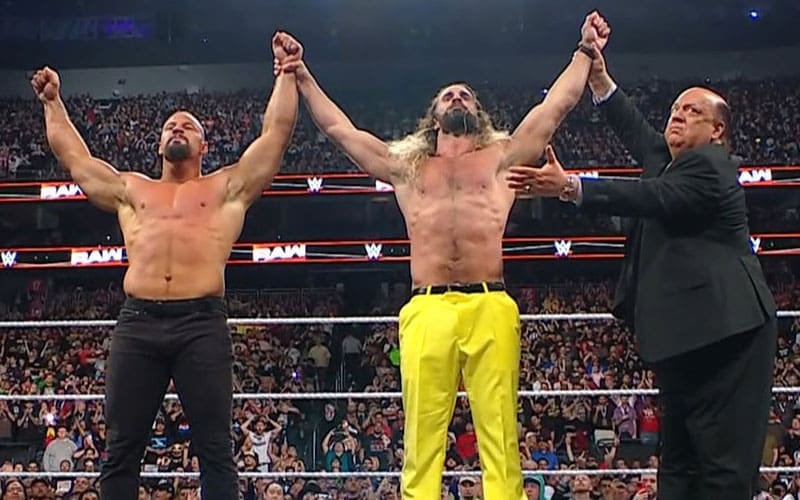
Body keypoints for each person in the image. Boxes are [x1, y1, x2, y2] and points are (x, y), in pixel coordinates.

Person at [273, 12, 611, 499]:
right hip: (428, 305)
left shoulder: (503, 158)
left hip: (489, 303)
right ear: (434, 116)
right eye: (449, 95)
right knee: (422, 436)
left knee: (500, 433)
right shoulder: (407, 167)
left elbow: (556, 106)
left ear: (479, 113)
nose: (457, 98)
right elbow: (340, 130)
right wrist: (302, 75)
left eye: (465, 95)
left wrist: (585, 51)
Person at [30, 32, 300, 500]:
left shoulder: (227, 188)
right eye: (171, 126)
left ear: (203, 145)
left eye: (187, 126)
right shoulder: (131, 189)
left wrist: (286, 73)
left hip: (201, 323)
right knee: (121, 448)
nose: (177, 129)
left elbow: (275, 136)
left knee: (215, 448)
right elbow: (75, 159)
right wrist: (53, 102)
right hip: (138, 321)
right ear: (158, 143)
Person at [508, 38, 778, 499]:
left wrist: (571, 186)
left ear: (717, 130)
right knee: (678, 459)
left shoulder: (713, 167)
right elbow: (633, 128)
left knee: (722, 463)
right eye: (675, 108)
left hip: (728, 333)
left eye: (693, 111)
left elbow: (652, 197)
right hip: (686, 336)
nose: (678, 114)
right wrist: (599, 77)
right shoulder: (669, 162)